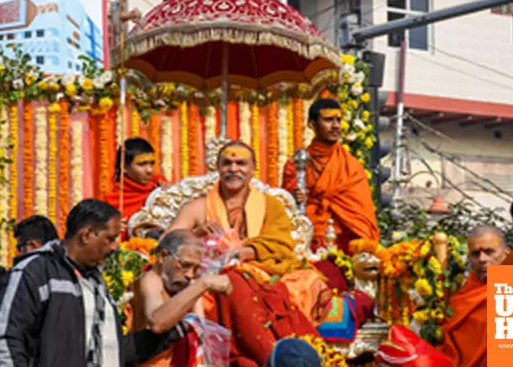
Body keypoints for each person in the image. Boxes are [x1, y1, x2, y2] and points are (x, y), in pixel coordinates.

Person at [166, 141, 325, 366]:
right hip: (215, 276)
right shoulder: (198, 207)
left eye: (241, 163)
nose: (234, 169)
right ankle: (270, 358)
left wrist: (243, 252)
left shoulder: (271, 205)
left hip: (261, 271)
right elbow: (167, 243)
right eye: (227, 163)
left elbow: (281, 244)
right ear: (217, 167)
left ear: (252, 169)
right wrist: (196, 233)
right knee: (231, 281)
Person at [0, 199, 189, 366]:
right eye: (110, 238)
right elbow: (4, 340)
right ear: (85, 235)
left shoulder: (95, 282)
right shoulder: (35, 272)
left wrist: (171, 333)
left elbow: (115, 351)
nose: (115, 247)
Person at [281, 97, 379, 253]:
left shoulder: (351, 166)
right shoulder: (296, 164)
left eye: (338, 120)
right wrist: (295, 199)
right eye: (328, 120)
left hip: (342, 243)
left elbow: (361, 216)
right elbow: (285, 210)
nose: (335, 126)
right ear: (313, 125)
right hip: (305, 241)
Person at [129, 230, 233, 366]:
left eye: (196, 269)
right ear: (162, 256)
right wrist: (202, 284)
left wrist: (196, 292)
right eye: (184, 265)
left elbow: (201, 334)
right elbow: (157, 323)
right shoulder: (149, 280)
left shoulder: (182, 284)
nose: (190, 274)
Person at [438, 225, 508, 367]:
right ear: (469, 257)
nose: (482, 259)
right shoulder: (459, 299)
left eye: (489, 252)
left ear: (506, 253)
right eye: (476, 254)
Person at [103, 138, 170, 241]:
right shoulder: (111, 202)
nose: (149, 170)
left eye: (152, 163)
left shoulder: (162, 191)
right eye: (142, 164)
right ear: (124, 168)